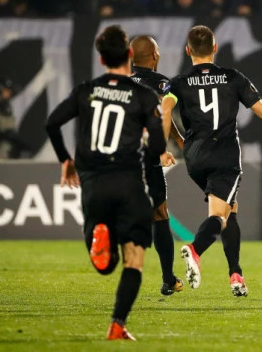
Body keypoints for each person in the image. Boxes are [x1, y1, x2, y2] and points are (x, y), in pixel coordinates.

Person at [45, 25, 168, 341]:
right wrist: (147, 137)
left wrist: (66, 160)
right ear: (129, 54)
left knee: (104, 263)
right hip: (128, 181)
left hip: (93, 182)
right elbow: (157, 146)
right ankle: (117, 324)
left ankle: (101, 237)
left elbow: (52, 123)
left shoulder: (86, 90)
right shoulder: (143, 95)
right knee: (134, 258)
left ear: (101, 59)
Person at [160, 25, 262, 296]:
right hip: (224, 156)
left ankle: (236, 275)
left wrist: (165, 146)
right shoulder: (233, 77)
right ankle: (195, 250)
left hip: (195, 158)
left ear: (188, 51)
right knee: (220, 215)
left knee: (230, 209)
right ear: (215, 48)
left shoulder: (179, 82)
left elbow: (165, 110)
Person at [129, 35, 185, 297]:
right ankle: (167, 278)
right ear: (154, 55)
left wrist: (178, 138)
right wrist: (163, 148)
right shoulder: (160, 82)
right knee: (159, 214)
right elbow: (164, 111)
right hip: (146, 154)